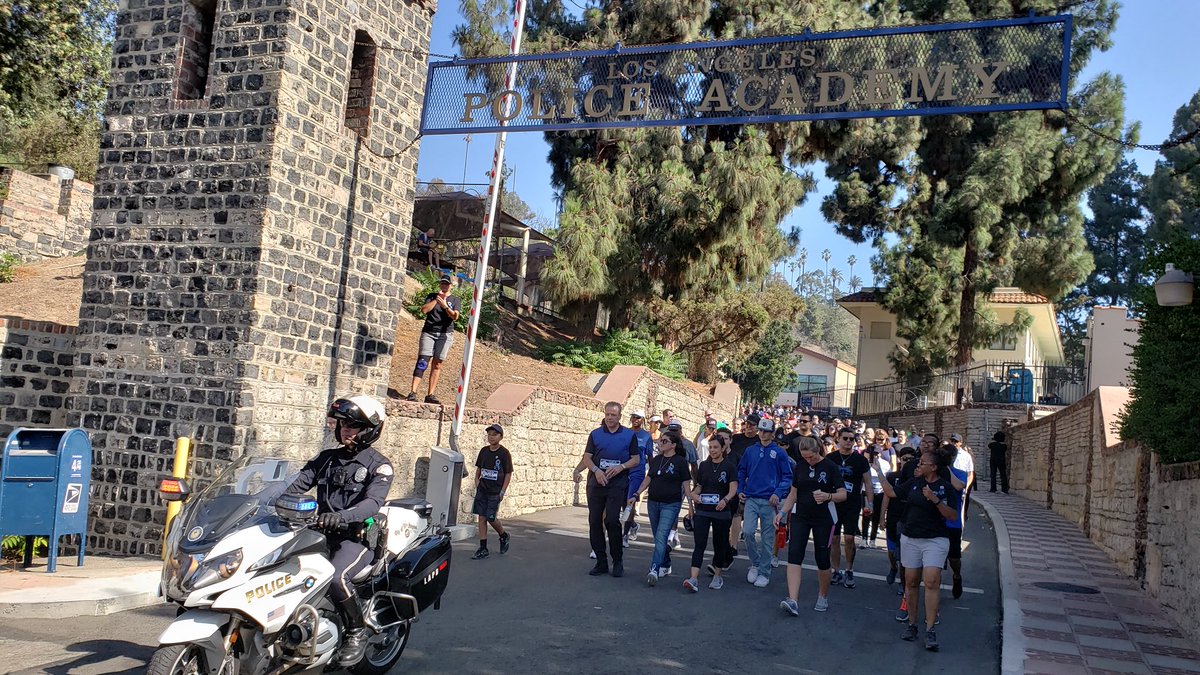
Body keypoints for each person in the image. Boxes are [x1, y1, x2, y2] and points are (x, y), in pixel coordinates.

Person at [286, 396, 393, 667]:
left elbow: (373, 503)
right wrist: (267, 501)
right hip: (317, 534)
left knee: (335, 578)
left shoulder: (378, 465)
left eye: (353, 425)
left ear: (370, 429)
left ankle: (357, 632)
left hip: (354, 538)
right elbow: (293, 487)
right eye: (343, 424)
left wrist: (341, 517)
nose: (346, 430)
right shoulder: (326, 459)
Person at [882, 451, 960, 652]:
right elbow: (892, 493)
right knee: (911, 582)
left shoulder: (945, 487)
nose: (919, 465)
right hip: (911, 538)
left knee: (932, 581)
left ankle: (930, 629)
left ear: (933, 467)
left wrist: (935, 500)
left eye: (923, 463)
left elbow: (953, 516)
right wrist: (877, 471)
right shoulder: (914, 483)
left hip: (935, 539)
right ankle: (912, 624)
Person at [776, 435, 846, 614]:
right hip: (800, 515)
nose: (809, 461)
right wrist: (782, 512)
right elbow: (793, 494)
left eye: (811, 457)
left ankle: (823, 595)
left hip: (824, 518)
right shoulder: (800, 467)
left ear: (818, 451)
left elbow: (842, 494)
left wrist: (828, 496)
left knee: (822, 558)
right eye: (805, 457)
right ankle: (793, 599)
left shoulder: (830, 467)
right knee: (794, 554)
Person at [576, 401, 641, 577]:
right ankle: (601, 561)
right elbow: (587, 458)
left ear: (620, 416)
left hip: (617, 484)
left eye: (613, 415)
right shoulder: (596, 434)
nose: (610, 418)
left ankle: (617, 561)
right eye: (607, 414)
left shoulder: (629, 435)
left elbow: (636, 459)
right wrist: (596, 470)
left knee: (612, 520)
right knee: (595, 521)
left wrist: (621, 467)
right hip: (596, 483)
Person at [737, 417, 793, 588]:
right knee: (747, 532)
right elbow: (741, 470)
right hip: (751, 498)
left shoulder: (780, 453)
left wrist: (778, 492)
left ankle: (764, 572)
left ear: (772, 433)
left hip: (769, 501)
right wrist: (740, 489)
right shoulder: (750, 450)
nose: (763, 434)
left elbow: (787, 476)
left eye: (766, 431)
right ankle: (756, 563)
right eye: (761, 430)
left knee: (767, 538)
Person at [632, 430, 692, 586]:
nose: (660, 443)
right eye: (660, 440)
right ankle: (665, 563)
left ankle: (654, 569)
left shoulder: (680, 462)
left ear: (673, 445)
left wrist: (691, 507)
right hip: (653, 502)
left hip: (671, 504)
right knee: (658, 536)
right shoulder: (657, 460)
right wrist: (637, 493)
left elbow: (686, 486)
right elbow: (648, 479)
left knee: (661, 535)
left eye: (664, 441)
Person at [684, 434, 738, 592]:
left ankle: (717, 575)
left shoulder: (729, 466)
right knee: (699, 544)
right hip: (703, 510)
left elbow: (733, 489)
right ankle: (693, 578)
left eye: (716, 447)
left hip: (721, 512)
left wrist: (725, 500)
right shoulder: (704, 466)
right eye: (710, 447)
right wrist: (694, 495)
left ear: (723, 448)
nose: (713, 450)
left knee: (719, 544)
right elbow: (699, 486)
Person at [406, 274, 461, 404]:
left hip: (444, 334)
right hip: (429, 332)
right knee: (423, 361)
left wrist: (445, 306)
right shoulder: (432, 296)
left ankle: (430, 394)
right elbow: (424, 310)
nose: (444, 285)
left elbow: (455, 316)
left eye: (446, 284)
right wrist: (437, 300)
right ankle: (413, 392)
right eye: (442, 283)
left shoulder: (455, 300)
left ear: (451, 286)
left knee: (437, 363)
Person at [828, 428, 871, 588]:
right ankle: (835, 570)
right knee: (834, 538)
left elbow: (868, 482)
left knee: (849, 538)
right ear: (838, 439)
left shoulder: (860, 460)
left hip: (852, 503)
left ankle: (849, 569)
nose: (848, 441)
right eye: (845, 438)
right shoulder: (831, 458)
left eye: (851, 439)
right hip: (833, 503)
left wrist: (870, 503)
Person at [471, 423, 513, 560]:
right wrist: (477, 482)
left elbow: (508, 473)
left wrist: (502, 491)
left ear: (500, 437)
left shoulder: (504, 453)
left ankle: (503, 535)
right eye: (489, 434)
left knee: (491, 517)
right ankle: (483, 548)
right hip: (482, 489)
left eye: (494, 435)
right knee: (481, 517)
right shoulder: (484, 451)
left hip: (495, 491)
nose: (491, 437)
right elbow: (479, 469)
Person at [944, 434, 974, 599]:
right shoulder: (934, 472)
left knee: (954, 557)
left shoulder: (959, 473)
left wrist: (947, 469)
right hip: (935, 521)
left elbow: (959, 486)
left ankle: (956, 576)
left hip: (952, 522)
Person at [623, 409, 654, 546]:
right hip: (623, 470)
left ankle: (624, 535)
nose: (635, 419)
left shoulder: (646, 436)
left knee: (630, 501)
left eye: (638, 418)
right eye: (634, 417)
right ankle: (633, 525)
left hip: (638, 471)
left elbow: (650, 455)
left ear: (643, 420)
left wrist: (652, 474)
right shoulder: (624, 432)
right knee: (622, 502)